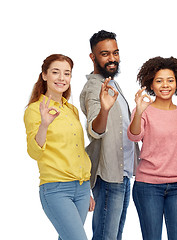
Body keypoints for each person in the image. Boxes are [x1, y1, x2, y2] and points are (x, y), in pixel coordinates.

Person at [24, 54, 93, 240]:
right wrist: (44, 125)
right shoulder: (34, 110)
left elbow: (78, 150)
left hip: (82, 188)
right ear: (45, 75)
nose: (62, 78)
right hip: (56, 189)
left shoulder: (72, 110)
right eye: (56, 72)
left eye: (67, 73)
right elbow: (34, 152)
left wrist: (87, 190)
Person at [80, 30, 140, 240]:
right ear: (93, 57)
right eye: (105, 54)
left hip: (123, 173)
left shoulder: (114, 84)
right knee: (106, 236)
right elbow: (95, 130)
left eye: (115, 52)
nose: (112, 58)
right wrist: (104, 109)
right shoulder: (94, 87)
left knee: (114, 236)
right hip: (108, 175)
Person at [127, 56, 177, 240]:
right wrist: (139, 111)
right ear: (151, 83)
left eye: (170, 80)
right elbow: (134, 136)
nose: (165, 85)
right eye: (159, 81)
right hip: (148, 186)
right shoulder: (143, 110)